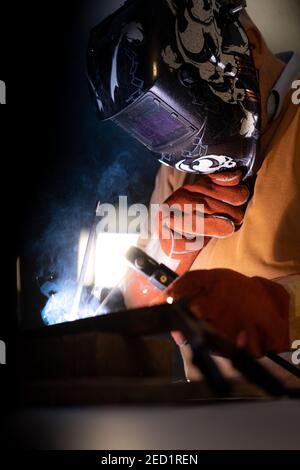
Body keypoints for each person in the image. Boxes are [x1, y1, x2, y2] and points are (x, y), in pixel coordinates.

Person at [123, 4, 300, 367]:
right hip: (206, 415)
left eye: (196, 95)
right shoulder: (177, 168)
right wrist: (169, 252)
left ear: (249, 41)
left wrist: (280, 309)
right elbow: (135, 300)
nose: (191, 139)